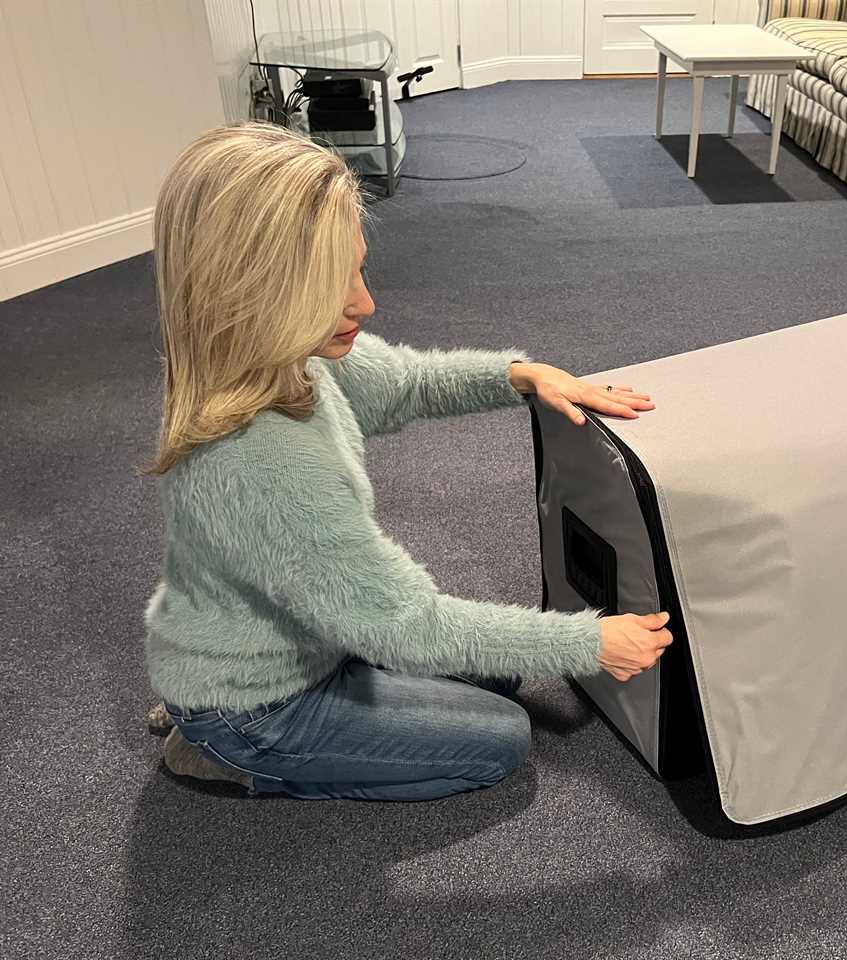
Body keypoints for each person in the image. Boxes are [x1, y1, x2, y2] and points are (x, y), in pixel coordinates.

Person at [144, 123, 673, 801]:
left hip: (302, 631)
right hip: (260, 702)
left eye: (358, 270)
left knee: (496, 676)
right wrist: (588, 643)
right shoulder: (261, 464)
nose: (365, 303)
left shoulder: (281, 354)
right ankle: (222, 752)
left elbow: (408, 383)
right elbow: (409, 625)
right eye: (331, 288)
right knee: (501, 741)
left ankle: (224, 706)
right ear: (253, 289)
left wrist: (522, 374)